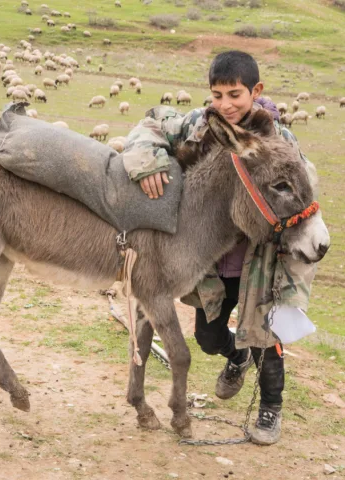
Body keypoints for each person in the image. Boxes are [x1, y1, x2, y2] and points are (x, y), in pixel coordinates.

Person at [122, 50, 318, 445]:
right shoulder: (199, 125)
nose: (225, 104)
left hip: (258, 260)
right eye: (217, 94)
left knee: (265, 336)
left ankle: (270, 409)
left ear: (255, 91)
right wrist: (146, 164)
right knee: (209, 339)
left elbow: (301, 191)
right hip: (208, 261)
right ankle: (235, 356)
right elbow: (148, 126)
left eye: (235, 94)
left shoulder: (280, 139)